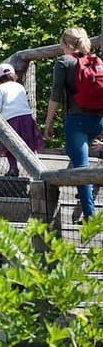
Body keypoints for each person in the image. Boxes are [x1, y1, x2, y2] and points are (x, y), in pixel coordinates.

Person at [44, 27, 103, 219]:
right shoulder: (97, 62)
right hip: (100, 120)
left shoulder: (64, 61)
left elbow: (55, 95)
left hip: (77, 121)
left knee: (81, 169)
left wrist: (48, 123)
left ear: (66, 44)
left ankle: (90, 217)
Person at [0, 63, 44, 176]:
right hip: (26, 117)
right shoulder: (19, 86)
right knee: (29, 143)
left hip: (10, 119)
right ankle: (37, 167)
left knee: (10, 144)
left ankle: (13, 168)